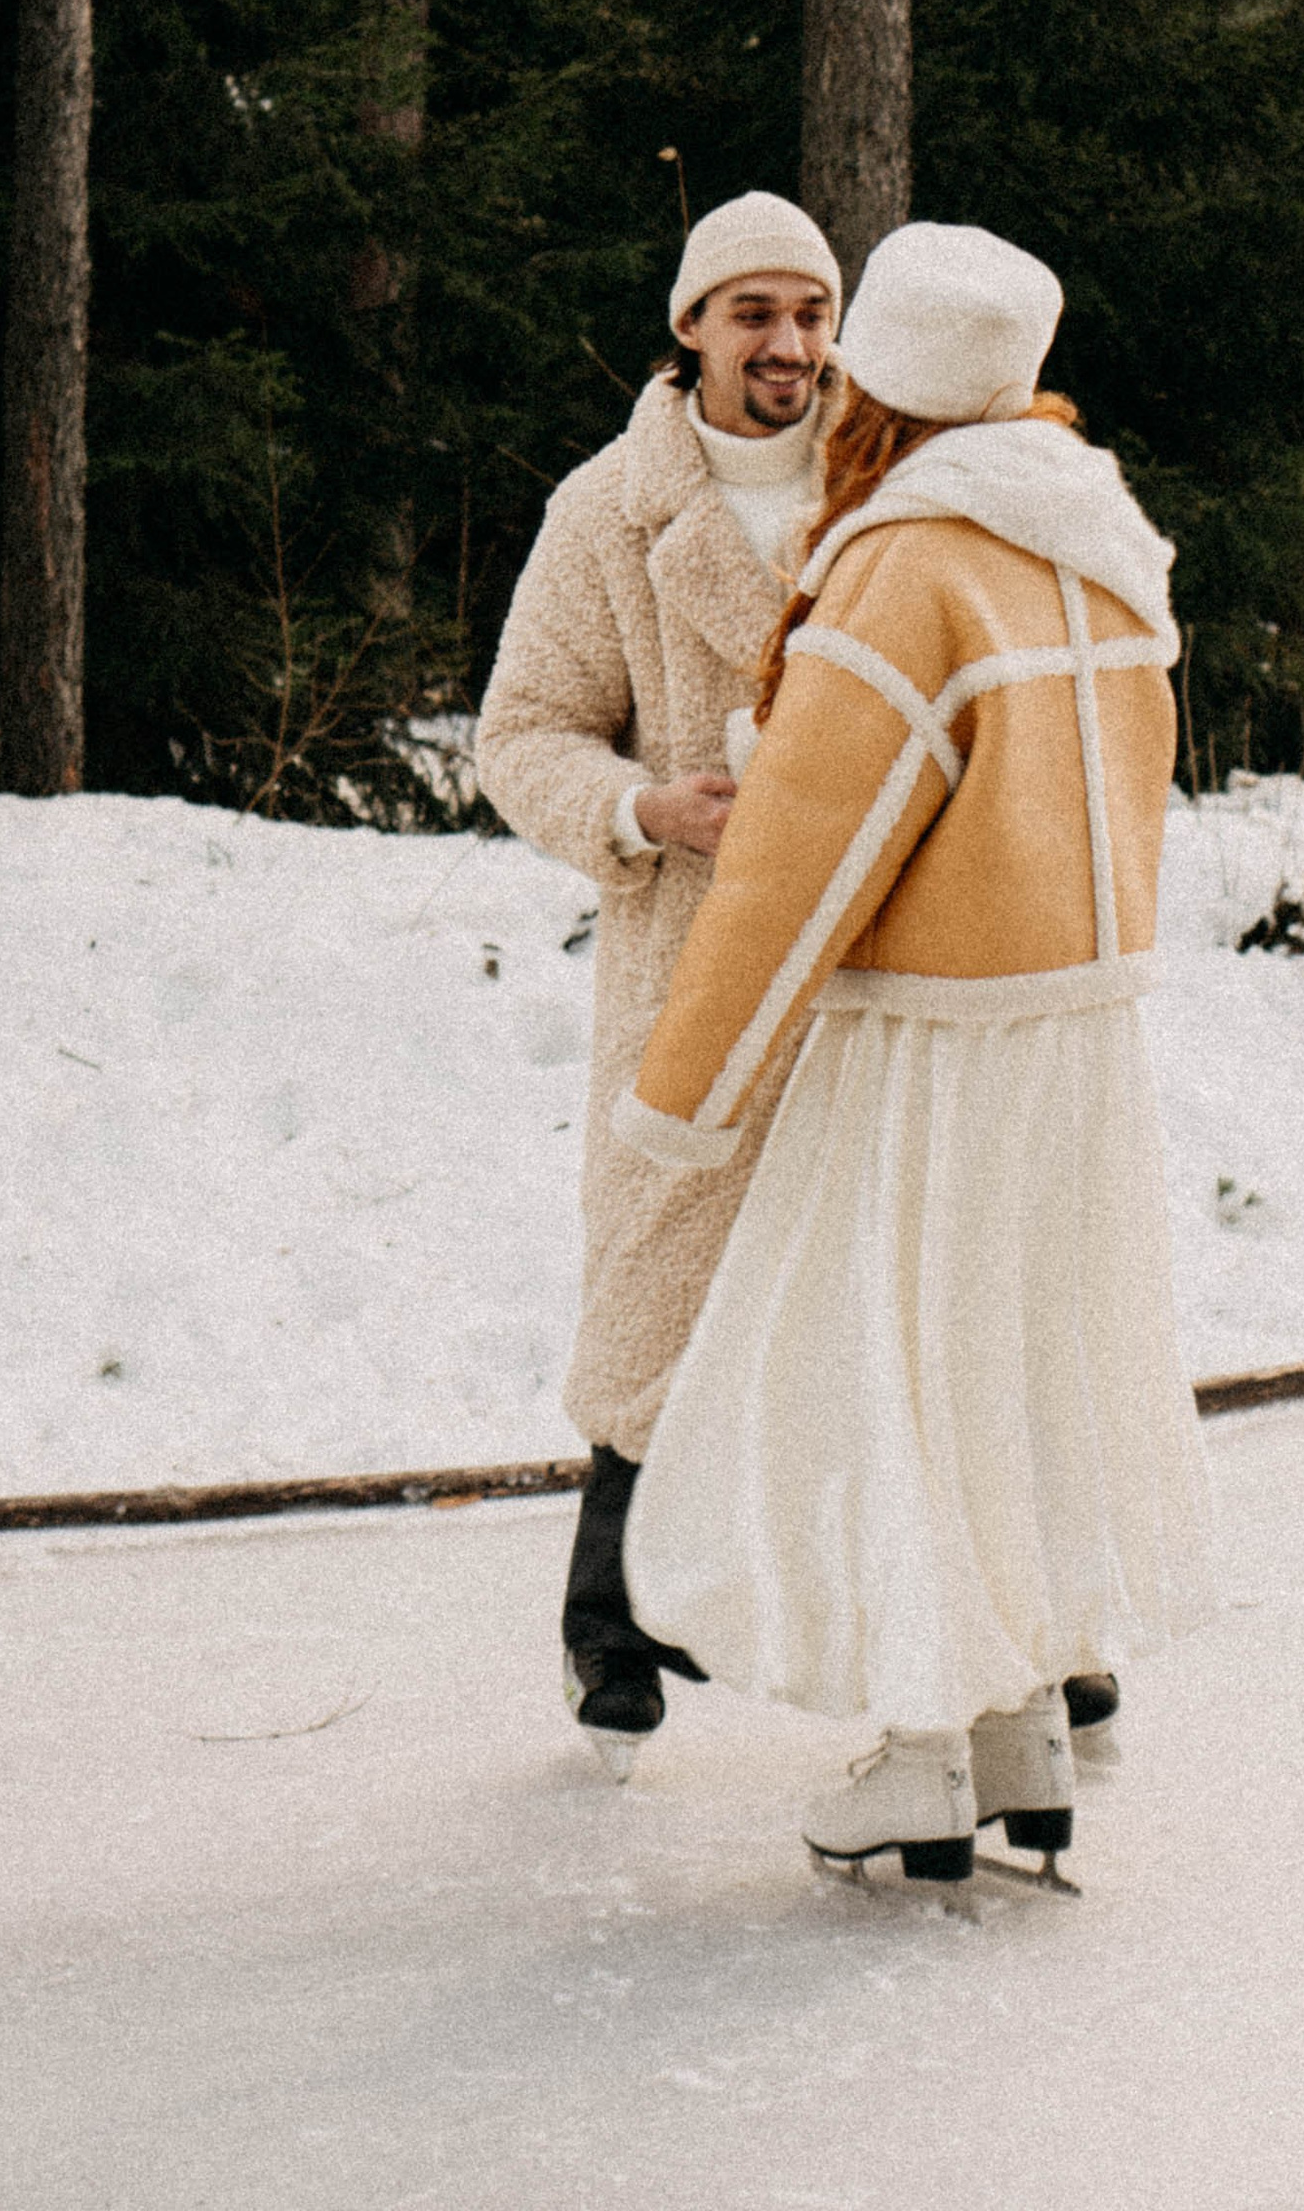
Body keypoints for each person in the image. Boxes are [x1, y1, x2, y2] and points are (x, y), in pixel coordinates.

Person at [618, 221, 1215, 1889]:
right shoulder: (1099, 540)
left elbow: (805, 864)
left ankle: (920, 1748)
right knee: (1026, 1380)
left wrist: (683, 1094)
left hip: (936, 1059)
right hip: (1079, 1044)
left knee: (897, 1387)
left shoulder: (908, 565)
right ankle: (1021, 1716)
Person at [475, 188, 841, 1756]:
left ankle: (1000, 1634)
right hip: (692, 951)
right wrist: (643, 807)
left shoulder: (888, 490)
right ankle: (607, 1621)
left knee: (901, 1275)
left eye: (814, 314)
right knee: (658, 1280)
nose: (790, 346)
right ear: (689, 327)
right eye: (755, 313)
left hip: (869, 958)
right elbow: (522, 733)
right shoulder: (605, 509)